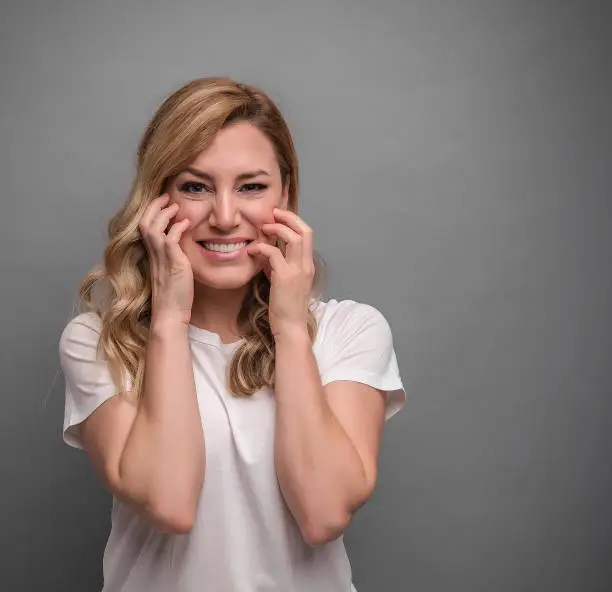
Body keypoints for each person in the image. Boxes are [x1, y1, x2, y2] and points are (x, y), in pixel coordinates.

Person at [59, 76, 406, 592]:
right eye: (195, 187)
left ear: (284, 194)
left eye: (251, 186)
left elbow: (324, 513)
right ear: (159, 199)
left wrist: (289, 328)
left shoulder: (348, 331)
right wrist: (171, 322)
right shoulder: (99, 341)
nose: (224, 217)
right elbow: (170, 502)